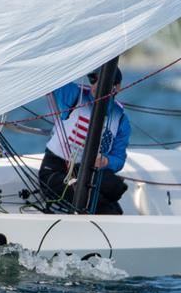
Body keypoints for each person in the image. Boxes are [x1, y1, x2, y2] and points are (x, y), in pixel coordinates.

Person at [39, 68, 131, 214]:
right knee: (100, 205)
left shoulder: (120, 120)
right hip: (55, 171)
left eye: (103, 81)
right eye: (93, 80)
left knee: (116, 187)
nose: (96, 86)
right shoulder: (75, 96)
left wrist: (106, 161)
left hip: (85, 172)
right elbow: (51, 75)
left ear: (117, 87)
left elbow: (119, 159)